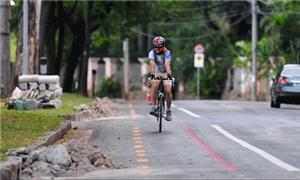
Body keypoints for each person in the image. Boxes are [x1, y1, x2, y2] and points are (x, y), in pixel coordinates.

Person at [148, 36, 173, 121]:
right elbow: (152, 64)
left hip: (166, 71)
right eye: (155, 47)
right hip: (156, 71)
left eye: (159, 47)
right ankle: (154, 106)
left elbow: (167, 64)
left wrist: (169, 74)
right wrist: (152, 75)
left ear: (163, 46)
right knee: (155, 85)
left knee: (168, 90)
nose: (157, 49)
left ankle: (168, 110)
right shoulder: (152, 53)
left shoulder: (167, 52)